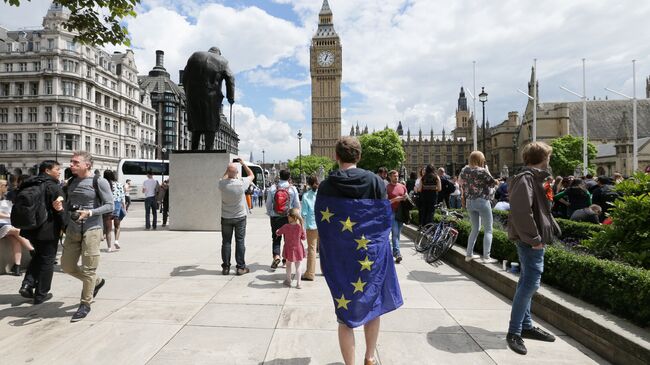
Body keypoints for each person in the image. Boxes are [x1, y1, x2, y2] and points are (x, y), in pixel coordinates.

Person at [315, 136, 402, 365]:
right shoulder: (374, 181)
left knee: (344, 315)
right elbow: (383, 220)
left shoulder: (326, 185)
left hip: (341, 258)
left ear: (336, 156)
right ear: (359, 156)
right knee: (372, 304)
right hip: (369, 255)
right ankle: (370, 357)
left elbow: (323, 225)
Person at [506, 142, 560, 355]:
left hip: (535, 238)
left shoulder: (536, 178)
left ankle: (526, 326)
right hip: (531, 240)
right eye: (548, 156)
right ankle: (514, 332)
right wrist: (534, 238)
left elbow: (541, 209)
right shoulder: (526, 179)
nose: (550, 160)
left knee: (526, 280)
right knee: (530, 284)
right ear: (542, 157)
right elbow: (521, 212)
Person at [61, 151, 113, 322]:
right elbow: (68, 205)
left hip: (92, 229)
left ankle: (85, 304)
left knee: (89, 268)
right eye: (71, 162)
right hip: (73, 229)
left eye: (76, 162)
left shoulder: (99, 181)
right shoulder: (71, 182)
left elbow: (109, 205)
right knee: (67, 266)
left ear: (87, 165)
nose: (71, 165)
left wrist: (90, 212)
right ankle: (96, 281)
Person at [18, 161, 65, 304]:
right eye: (57, 169)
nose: (59, 172)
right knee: (47, 260)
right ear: (47, 170)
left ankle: (27, 284)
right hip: (48, 229)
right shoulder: (53, 186)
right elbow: (60, 210)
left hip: (30, 228)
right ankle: (41, 293)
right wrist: (66, 226)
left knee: (38, 256)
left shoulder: (30, 183)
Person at [183, 47, 235, 150]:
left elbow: (184, 77)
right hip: (212, 96)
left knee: (195, 123)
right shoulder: (222, 60)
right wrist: (231, 97)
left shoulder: (194, 56)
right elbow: (230, 78)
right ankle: (208, 149)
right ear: (219, 53)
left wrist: (188, 93)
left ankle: (193, 148)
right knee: (210, 123)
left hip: (193, 96)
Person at [459, 151, 499, 263]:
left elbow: (460, 182)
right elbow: (493, 183)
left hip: (469, 202)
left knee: (475, 228)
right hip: (482, 201)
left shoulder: (464, 170)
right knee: (488, 230)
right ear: (480, 160)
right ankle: (486, 257)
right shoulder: (482, 171)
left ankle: (468, 254)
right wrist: (492, 176)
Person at [218, 159, 254, 275]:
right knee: (240, 241)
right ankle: (240, 267)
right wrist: (243, 163)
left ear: (227, 172)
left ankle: (226, 267)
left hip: (226, 217)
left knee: (226, 242)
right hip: (240, 217)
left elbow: (224, 177)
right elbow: (251, 175)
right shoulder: (241, 183)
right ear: (237, 173)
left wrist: (228, 170)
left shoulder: (222, 184)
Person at [266, 169, 300, 269]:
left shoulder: (273, 188)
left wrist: (270, 213)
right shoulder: (292, 188)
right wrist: (297, 216)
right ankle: (285, 261)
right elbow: (297, 204)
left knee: (276, 237)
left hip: (275, 216)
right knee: (287, 239)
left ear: (279, 177)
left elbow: (268, 203)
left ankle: (276, 256)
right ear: (289, 177)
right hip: (288, 217)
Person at [0, 179, 35, 276]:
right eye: (6, 185)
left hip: (7, 225)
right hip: (3, 225)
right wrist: (10, 216)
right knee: (17, 231)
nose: (8, 187)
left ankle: (17, 266)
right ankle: (33, 251)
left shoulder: (6, 198)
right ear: (0, 186)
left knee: (16, 240)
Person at [276, 208, 306, 288]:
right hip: (298, 249)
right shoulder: (300, 227)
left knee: (288, 265)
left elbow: (279, 232)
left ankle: (288, 281)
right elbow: (304, 238)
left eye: (288, 217)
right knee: (298, 266)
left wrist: (277, 231)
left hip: (288, 249)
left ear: (292, 217)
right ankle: (298, 283)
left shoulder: (286, 226)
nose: (288, 218)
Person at [300, 175, 319, 281]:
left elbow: (304, 213)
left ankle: (310, 273)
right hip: (323, 223)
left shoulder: (306, 196)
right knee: (324, 249)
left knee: (312, 249)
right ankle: (325, 271)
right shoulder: (322, 195)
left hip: (311, 225)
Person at [387, 170, 407, 263]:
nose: (396, 177)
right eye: (394, 176)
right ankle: (397, 253)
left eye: (397, 176)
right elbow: (385, 202)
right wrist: (395, 199)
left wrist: (405, 197)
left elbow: (406, 196)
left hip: (401, 213)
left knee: (398, 234)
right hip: (392, 212)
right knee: (394, 233)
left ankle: (395, 251)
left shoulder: (402, 186)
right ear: (390, 177)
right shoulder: (387, 187)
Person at [102, 170, 118, 252]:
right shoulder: (112, 184)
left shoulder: (101, 182)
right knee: (109, 229)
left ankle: (102, 235)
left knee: (101, 227)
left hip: (100, 207)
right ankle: (109, 247)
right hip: (108, 208)